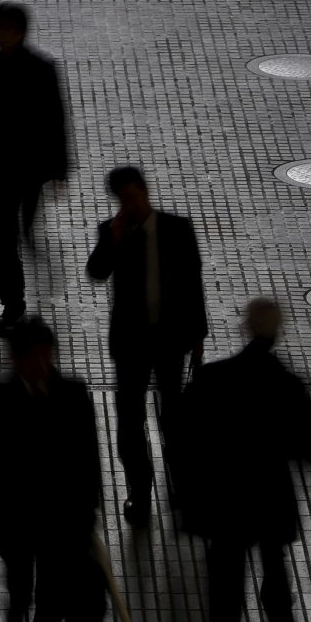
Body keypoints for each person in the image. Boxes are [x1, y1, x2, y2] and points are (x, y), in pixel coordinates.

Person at [175, 299, 311, 622]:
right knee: (274, 562)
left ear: (246, 328)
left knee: (226, 585)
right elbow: (310, 447)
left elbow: (183, 438)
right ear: (277, 333)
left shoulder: (213, 378)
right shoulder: (289, 384)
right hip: (271, 496)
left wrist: (184, 494)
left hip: (226, 499)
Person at [0, 318, 102, 622]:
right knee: (19, 595)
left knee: (50, 604)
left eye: (46, 354)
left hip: (60, 522)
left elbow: (88, 460)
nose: (42, 364)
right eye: (34, 356)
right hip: (15, 520)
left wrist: (87, 513)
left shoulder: (74, 394)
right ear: (16, 360)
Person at [86, 166, 207, 525]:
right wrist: (112, 241)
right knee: (129, 422)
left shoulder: (177, 229)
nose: (130, 204)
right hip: (132, 344)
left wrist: (198, 338)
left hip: (171, 341)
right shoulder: (114, 231)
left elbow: (192, 283)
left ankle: (182, 491)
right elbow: (96, 272)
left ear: (145, 192)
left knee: (175, 418)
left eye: (134, 197)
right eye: (123, 200)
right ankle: (140, 493)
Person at [0, 3, 68, 335]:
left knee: (14, 226)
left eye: (5, 29)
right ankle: (12, 301)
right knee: (2, 239)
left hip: (28, 169)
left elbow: (56, 117)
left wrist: (58, 167)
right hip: (1, 172)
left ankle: (25, 229)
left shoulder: (41, 69)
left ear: (20, 32)